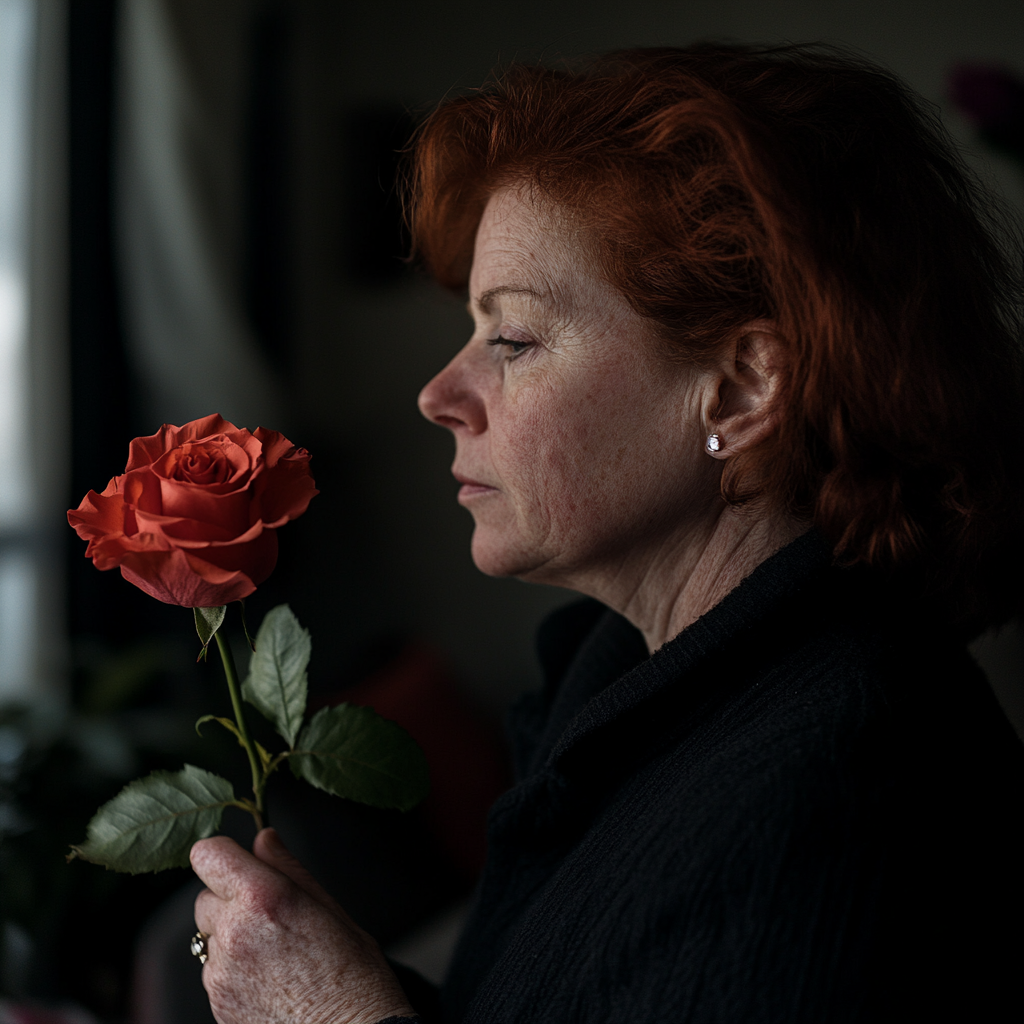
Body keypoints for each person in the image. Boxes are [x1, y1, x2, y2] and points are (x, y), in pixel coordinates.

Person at [189, 44, 1024, 1023]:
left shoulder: (839, 795)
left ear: (744, 385)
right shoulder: (626, 672)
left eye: (511, 339)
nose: (438, 394)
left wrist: (333, 1017)